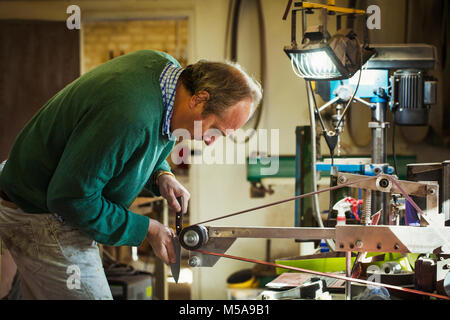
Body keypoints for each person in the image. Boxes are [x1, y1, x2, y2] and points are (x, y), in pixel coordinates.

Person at [0, 49, 262, 299]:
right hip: (41, 212)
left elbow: (143, 141)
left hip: (43, 197)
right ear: (199, 99)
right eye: (215, 129)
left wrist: (162, 174)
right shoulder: (130, 114)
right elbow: (71, 199)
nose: (210, 142)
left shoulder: (163, 72)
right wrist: (146, 228)